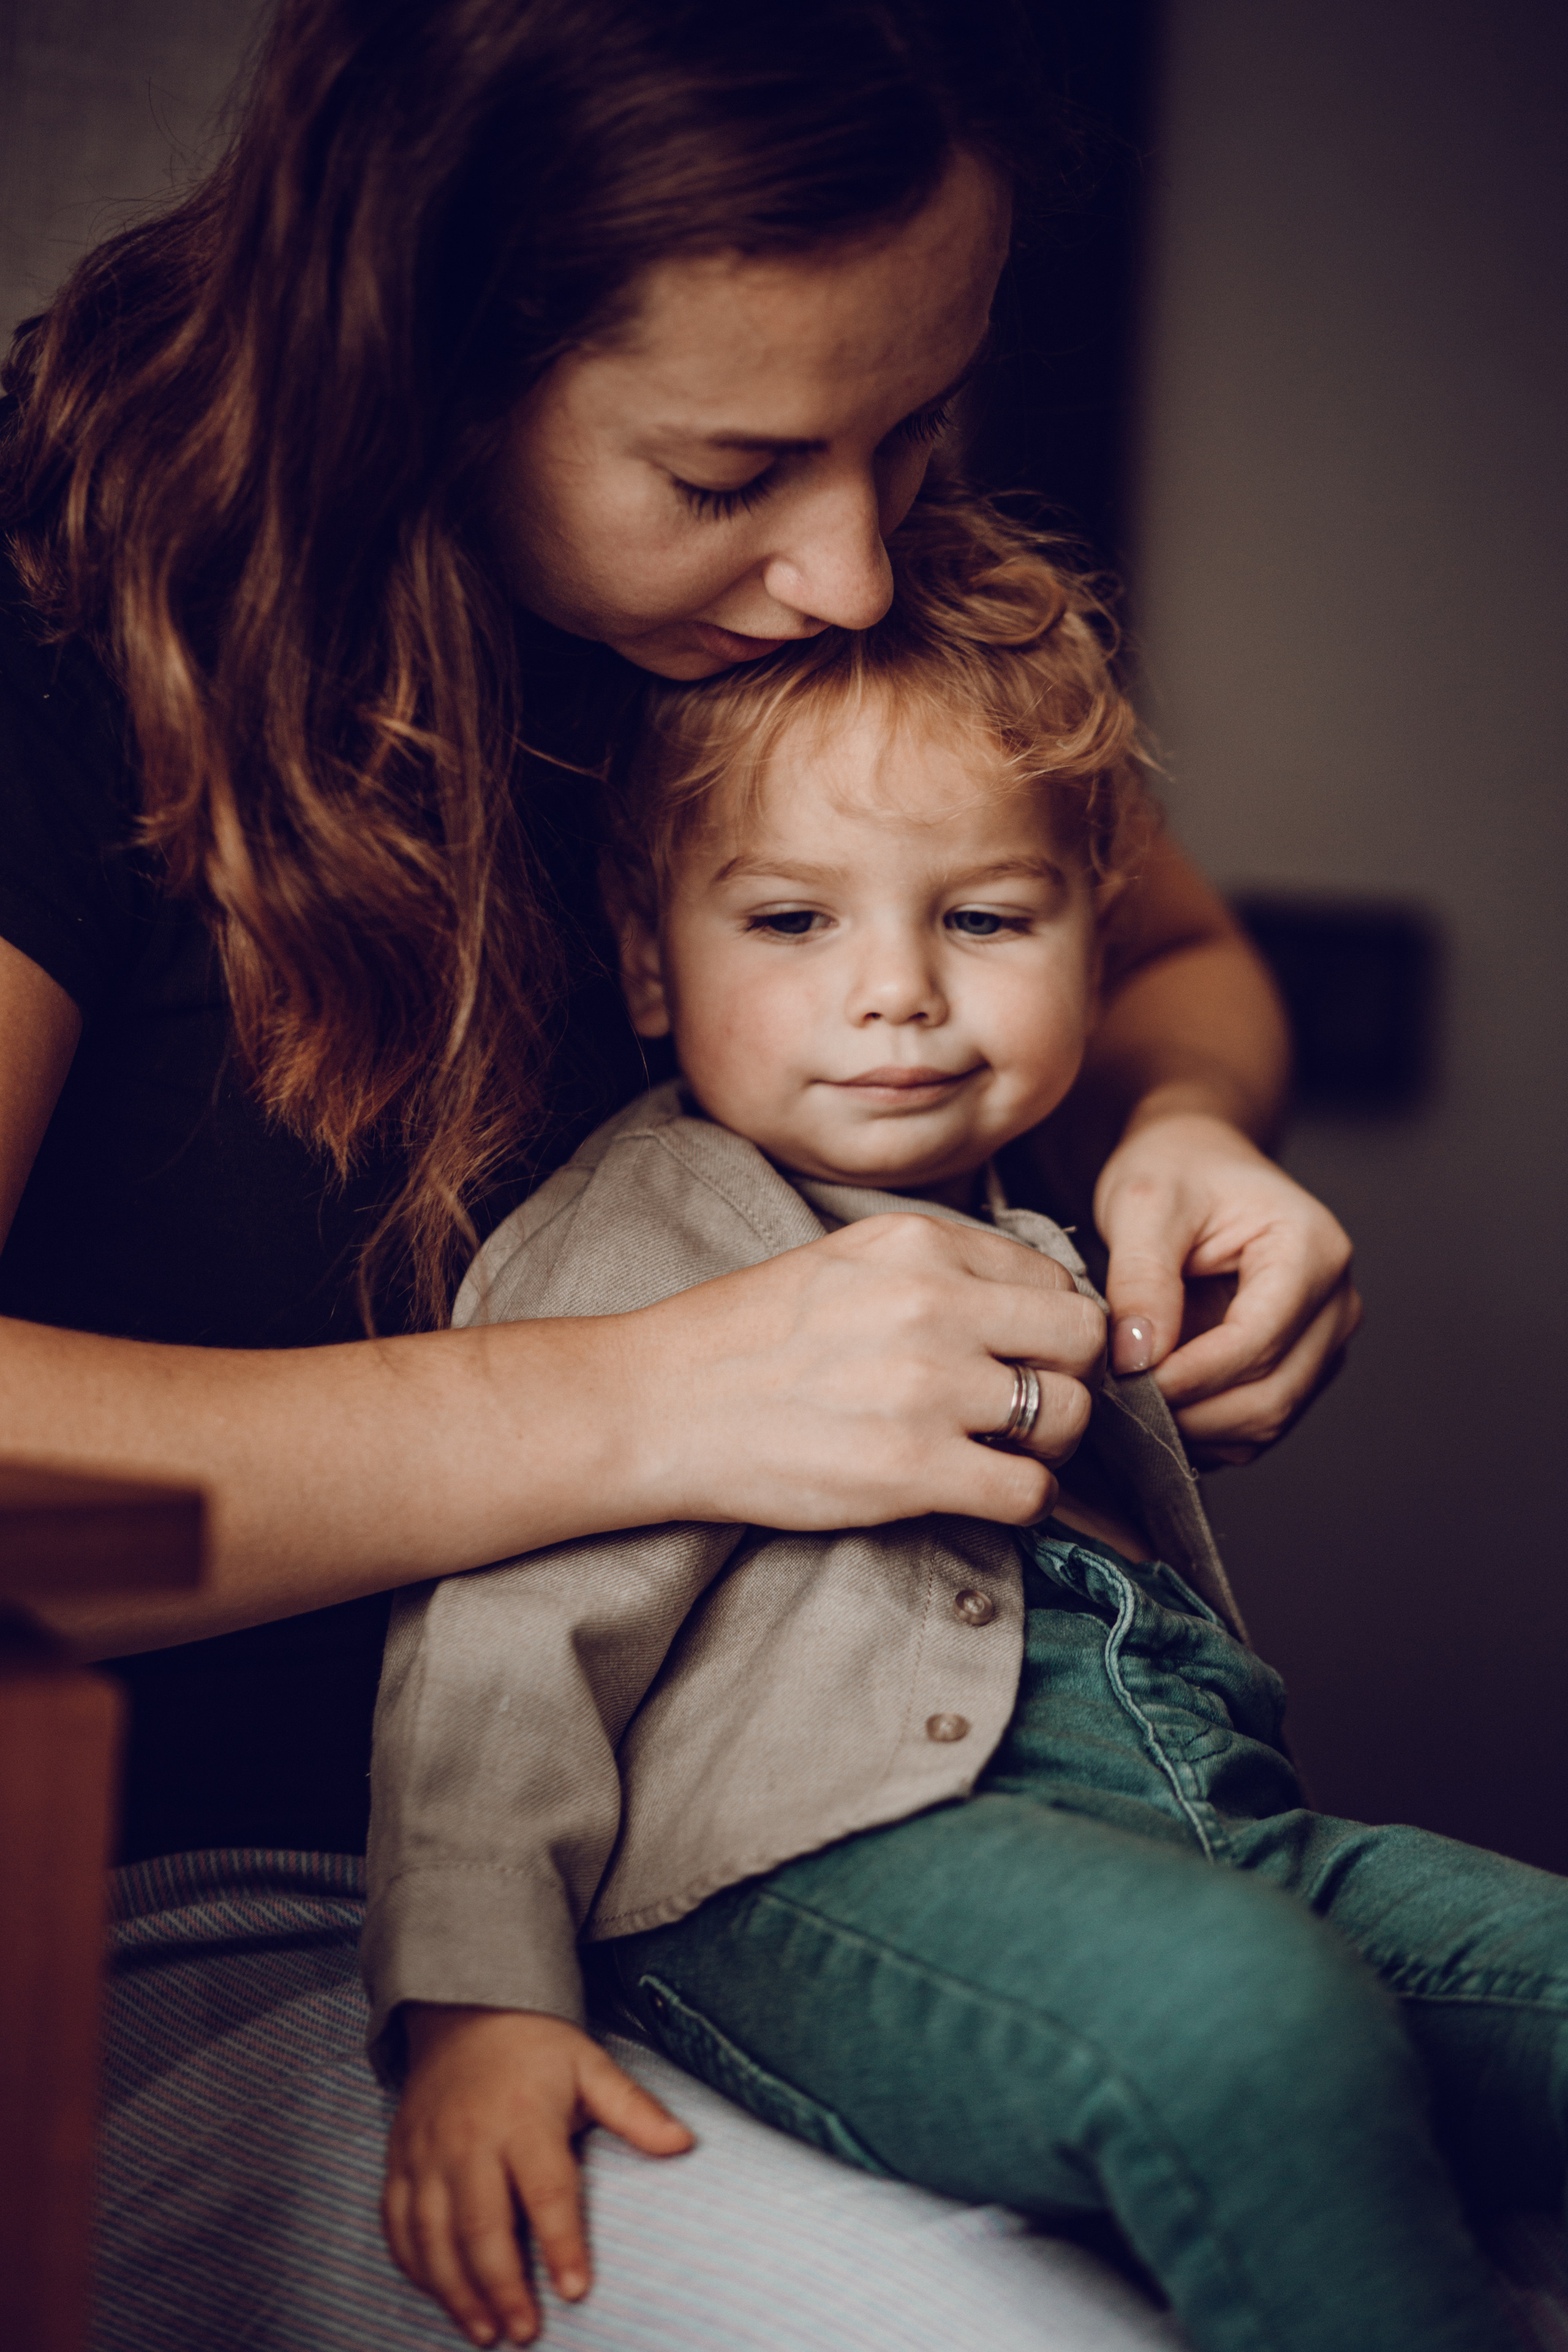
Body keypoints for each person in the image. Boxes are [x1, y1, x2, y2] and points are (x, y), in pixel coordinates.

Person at [0, 1, 1355, 2342]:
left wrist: (1203, 1131)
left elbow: (1178, 955)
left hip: (793, 1845)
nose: (847, 569)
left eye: (916, 426)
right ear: (406, 371)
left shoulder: (775, 604)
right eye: (731, 474)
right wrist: (646, 1403)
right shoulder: (51, 631)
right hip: (192, 1914)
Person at [368, 500, 1562, 2352]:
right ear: (645, 956)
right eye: (788, 917)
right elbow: (503, 1642)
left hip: (1210, 1836)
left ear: (1096, 938)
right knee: (1248, 2027)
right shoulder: (646, 1225)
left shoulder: (1057, 1228)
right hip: (810, 1876)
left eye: (988, 917)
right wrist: (478, 2001)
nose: (898, 990)